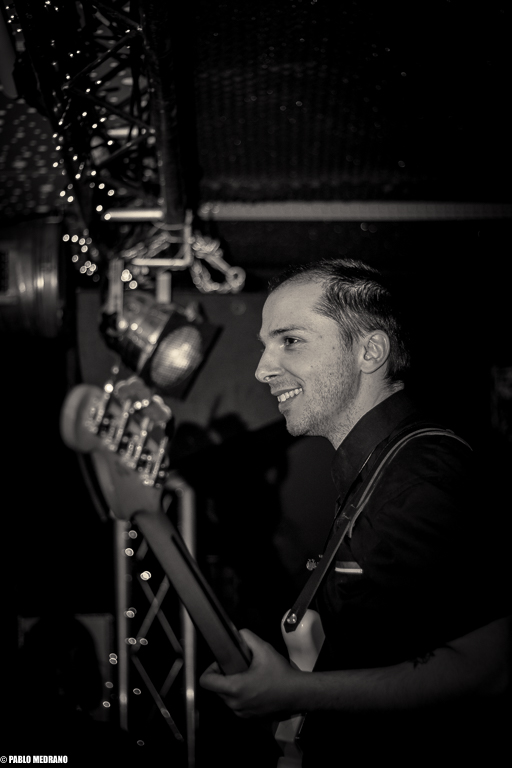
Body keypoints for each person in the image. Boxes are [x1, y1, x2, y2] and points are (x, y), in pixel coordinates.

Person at [199, 258, 510, 766]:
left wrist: (296, 693)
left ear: (370, 351)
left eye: (290, 340)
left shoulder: (418, 477)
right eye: (265, 345)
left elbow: (489, 666)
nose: (262, 369)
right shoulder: (383, 467)